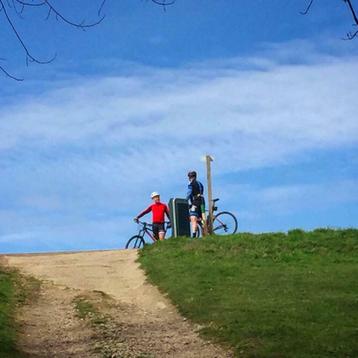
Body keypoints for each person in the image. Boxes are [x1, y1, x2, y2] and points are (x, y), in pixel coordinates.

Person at [186, 171, 205, 238]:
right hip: (202, 201)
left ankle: (194, 235)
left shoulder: (191, 184)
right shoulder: (200, 184)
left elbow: (189, 193)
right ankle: (204, 234)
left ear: (190, 177)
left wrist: (185, 201)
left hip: (196, 202)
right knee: (202, 219)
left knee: (193, 217)